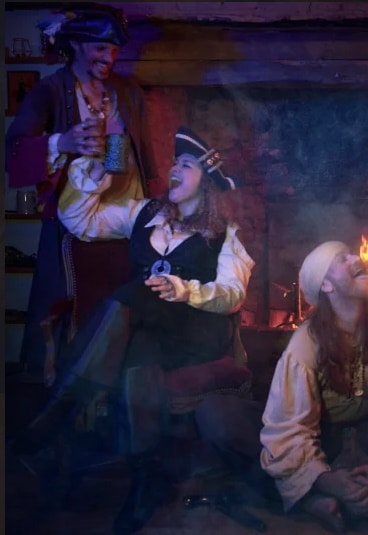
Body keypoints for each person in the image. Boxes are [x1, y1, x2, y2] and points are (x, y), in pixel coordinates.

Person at [11, 126, 253, 534]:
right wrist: (92, 177)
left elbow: (232, 295)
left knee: (134, 293)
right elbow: (80, 221)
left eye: (187, 164)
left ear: (207, 183)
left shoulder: (225, 234)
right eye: (174, 162)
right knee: (139, 344)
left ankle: (60, 410)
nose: (174, 168)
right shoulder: (144, 213)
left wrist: (185, 290)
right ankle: (145, 479)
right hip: (141, 331)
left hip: (193, 334)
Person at [194, 240, 368, 532]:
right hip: (322, 439)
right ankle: (316, 498)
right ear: (326, 285)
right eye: (342, 259)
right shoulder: (305, 342)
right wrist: (326, 479)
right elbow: (290, 427)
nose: (357, 258)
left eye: (352, 254)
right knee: (216, 415)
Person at [5, 5, 159, 376]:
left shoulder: (127, 91)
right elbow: (12, 149)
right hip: (74, 223)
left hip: (126, 217)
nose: (110, 58)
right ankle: (70, 383)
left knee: (124, 308)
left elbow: (136, 156)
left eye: (114, 50)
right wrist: (63, 141)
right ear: (75, 44)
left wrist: (153, 204)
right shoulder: (50, 90)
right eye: (100, 48)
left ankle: (122, 379)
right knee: (74, 308)